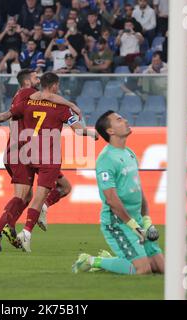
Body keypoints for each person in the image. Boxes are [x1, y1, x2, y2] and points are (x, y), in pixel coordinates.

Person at [0, 69, 84, 251]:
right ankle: (0, 227)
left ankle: (11, 225)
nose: (38, 79)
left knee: (46, 191)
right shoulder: (28, 93)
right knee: (22, 196)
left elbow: (8, 114)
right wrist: (72, 105)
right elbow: (50, 96)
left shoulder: (23, 96)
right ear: (27, 81)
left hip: (31, 151)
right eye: (36, 77)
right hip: (22, 151)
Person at [9, 72, 98, 252]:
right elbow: (78, 131)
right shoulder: (62, 108)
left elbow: (11, 116)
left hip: (28, 153)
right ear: (56, 86)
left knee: (65, 187)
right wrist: (92, 133)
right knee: (38, 198)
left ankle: (43, 207)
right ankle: (26, 232)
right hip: (48, 157)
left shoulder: (29, 101)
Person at [72, 110, 164, 275]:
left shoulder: (129, 153)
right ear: (110, 131)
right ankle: (92, 260)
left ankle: (118, 260)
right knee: (143, 270)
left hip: (137, 221)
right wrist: (134, 227)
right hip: (118, 224)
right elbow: (112, 200)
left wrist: (147, 221)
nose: (126, 121)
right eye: (119, 119)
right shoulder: (106, 159)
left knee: (161, 268)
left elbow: (138, 190)